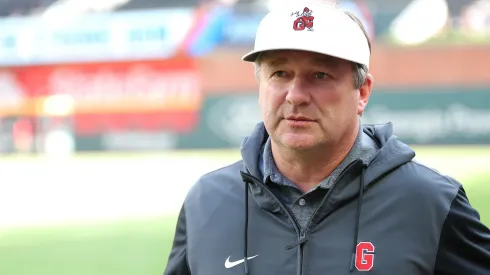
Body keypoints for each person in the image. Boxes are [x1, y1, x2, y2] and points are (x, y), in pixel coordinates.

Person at [163, 1, 490, 274]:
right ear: (260, 85)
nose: (296, 95)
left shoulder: (431, 202)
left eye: (320, 75)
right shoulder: (205, 201)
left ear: (361, 92)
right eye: (280, 73)